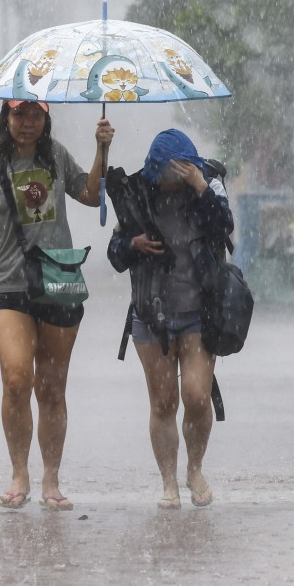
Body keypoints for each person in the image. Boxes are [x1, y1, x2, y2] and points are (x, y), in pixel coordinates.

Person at [0, 99, 114, 510]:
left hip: (58, 280)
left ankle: (51, 478)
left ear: (46, 118)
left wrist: (101, 150)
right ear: (5, 117)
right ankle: (19, 472)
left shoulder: (56, 156)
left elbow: (91, 194)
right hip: (10, 285)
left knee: (52, 389)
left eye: (36, 115)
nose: (27, 123)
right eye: (19, 114)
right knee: (17, 379)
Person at [107, 129, 234, 509]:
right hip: (152, 314)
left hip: (199, 313)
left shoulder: (209, 186)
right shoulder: (136, 195)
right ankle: (168, 483)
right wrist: (133, 245)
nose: (174, 181)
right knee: (163, 403)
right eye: (168, 173)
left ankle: (194, 470)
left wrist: (201, 188)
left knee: (197, 396)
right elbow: (115, 254)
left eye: (182, 172)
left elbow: (223, 227)